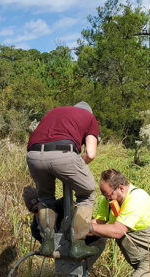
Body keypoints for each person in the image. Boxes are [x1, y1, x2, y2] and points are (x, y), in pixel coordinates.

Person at [26, 102, 99, 259]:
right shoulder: (90, 118)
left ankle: (47, 242)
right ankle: (78, 244)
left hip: (33, 154)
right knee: (87, 192)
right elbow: (90, 153)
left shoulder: (54, 111)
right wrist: (74, 166)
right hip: (64, 152)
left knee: (45, 197)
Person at [23, 185, 106, 277]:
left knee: (76, 274)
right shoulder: (36, 228)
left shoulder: (63, 205)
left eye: (41, 207)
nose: (40, 212)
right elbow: (50, 249)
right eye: (36, 210)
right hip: (67, 248)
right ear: (32, 212)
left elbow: (85, 222)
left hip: (91, 242)